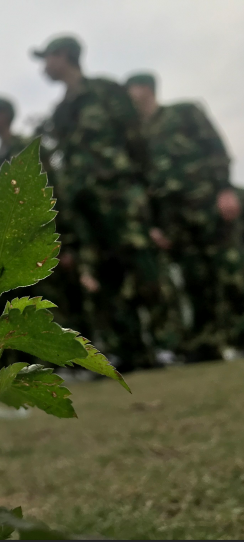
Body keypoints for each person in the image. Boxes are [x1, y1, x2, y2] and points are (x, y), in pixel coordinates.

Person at [31, 35, 160, 371]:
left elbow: (135, 140)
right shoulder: (61, 111)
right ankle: (129, 351)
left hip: (120, 195)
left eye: (47, 58)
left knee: (142, 267)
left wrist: (144, 188)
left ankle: (165, 343)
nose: (44, 66)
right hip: (84, 205)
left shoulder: (105, 91)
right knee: (105, 275)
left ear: (63, 56)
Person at [126, 72, 244, 361]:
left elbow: (215, 148)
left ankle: (240, 336)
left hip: (209, 204)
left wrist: (225, 190)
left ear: (144, 89)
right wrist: (154, 225)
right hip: (173, 220)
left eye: (130, 90)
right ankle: (207, 343)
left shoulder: (184, 113)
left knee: (230, 273)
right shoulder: (136, 136)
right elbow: (141, 182)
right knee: (194, 280)